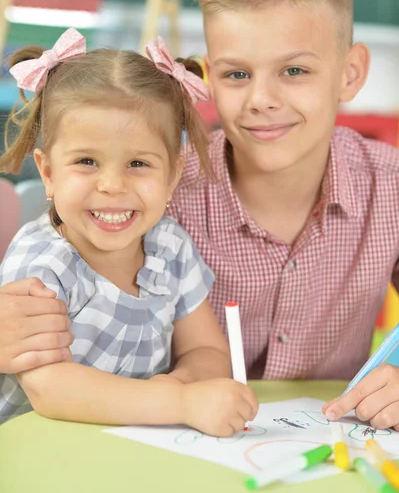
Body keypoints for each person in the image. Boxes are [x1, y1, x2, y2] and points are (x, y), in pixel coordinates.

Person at [167, 0, 399, 431]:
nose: (262, 99)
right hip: (179, 442)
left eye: (294, 70)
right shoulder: (162, 191)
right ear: (210, 77)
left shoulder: (390, 188)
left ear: (350, 73)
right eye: (236, 74)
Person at [0, 29, 258, 433]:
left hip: (130, 449)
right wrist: (179, 402)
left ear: (172, 175)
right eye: (86, 161)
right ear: (48, 174)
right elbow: (51, 388)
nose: (113, 186)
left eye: (138, 164)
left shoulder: (169, 246)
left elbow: (205, 349)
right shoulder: (43, 264)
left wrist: (182, 385)